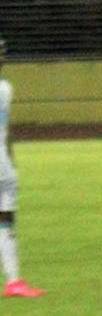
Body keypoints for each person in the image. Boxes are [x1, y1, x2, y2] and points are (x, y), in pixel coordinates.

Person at [0, 35, 45, 299]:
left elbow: (6, 133)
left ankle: (14, 281)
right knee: (5, 221)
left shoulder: (5, 89)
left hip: (4, 169)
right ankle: (14, 281)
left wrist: (11, 161)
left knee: (5, 221)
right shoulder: (5, 89)